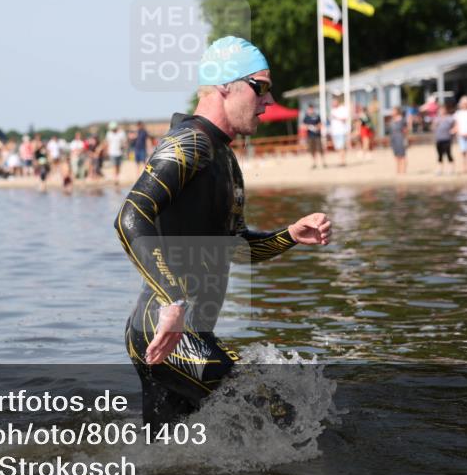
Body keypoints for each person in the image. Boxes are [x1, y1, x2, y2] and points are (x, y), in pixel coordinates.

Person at [115, 36, 332, 427]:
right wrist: (174, 301)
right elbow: (131, 215)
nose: (268, 101)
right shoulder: (190, 143)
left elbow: (235, 248)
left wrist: (289, 235)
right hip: (167, 330)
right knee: (281, 415)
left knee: (169, 461)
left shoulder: (222, 156)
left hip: (177, 332)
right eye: (261, 87)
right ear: (224, 86)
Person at [433, 104, 455, 176]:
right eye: (440, 110)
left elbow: (455, 125)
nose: (441, 111)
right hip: (439, 139)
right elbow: (433, 127)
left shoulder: (449, 118)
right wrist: (435, 124)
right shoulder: (437, 119)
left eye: (443, 110)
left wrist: (453, 131)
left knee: (448, 154)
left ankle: (451, 169)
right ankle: (440, 170)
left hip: (447, 139)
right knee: (440, 155)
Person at [301, 103, 324, 168]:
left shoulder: (317, 116)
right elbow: (303, 126)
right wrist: (308, 127)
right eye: (309, 109)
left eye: (311, 109)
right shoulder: (306, 117)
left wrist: (316, 128)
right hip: (310, 136)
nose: (310, 110)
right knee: (312, 150)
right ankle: (314, 163)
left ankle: (322, 162)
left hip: (317, 135)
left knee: (320, 149)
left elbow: (320, 124)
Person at [329, 95, 349, 166]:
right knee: (338, 147)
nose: (333, 103)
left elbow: (344, 119)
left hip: (341, 131)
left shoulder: (343, 109)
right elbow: (332, 123)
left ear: (338, 102)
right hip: (334, 132)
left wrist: (336, 117)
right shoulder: (332, 110)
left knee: (341, 147)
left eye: (334, 102)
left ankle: (343, 161)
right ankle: (341, 160)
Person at [389, 107, 408, 174]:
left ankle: (403, 171)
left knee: (402, 155)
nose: (392, 112)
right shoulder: (392, 120)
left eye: (393, 111)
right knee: (396, 155)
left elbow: (405, 130)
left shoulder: (402, 120)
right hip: (393, 138)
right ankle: (398, 170)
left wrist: (405, 139)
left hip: (400, 138)